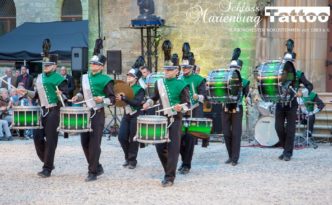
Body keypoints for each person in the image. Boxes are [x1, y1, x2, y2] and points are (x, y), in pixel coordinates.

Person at [17, 54, 68, 177]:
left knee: (51, 141)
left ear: (54, 66)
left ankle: (47, 168)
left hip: (54, 110)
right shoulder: (39, 77)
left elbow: (66, 96)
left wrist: (60, 94)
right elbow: (36, 95)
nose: (45, 66)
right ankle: (47, 160)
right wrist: (26, 92)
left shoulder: (60, 79)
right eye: (44, 64)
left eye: (48, 65)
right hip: (43, 110)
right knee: (37, 137)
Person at [143, 64, 190, 187]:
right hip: (162, 119)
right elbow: (154, 97)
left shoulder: (182, 85)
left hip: (175, 120)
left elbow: (188, 104)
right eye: (165, 69)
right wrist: (148, 102)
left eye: (169, 70)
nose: (167, 72)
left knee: (173, 149)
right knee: (160, 147)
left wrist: (181, 107)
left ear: (176, 71)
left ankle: (169, 177)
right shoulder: (159, 83)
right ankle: (168, 170)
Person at [71, 54, 115, 182]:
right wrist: (77, 97)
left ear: (101, 67)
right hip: (86, 112)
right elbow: (81, 92)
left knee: (95, 144)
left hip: (97, 113)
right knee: (84, 142)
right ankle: (98, 166)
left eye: (95, 64)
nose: (92, 65)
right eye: (91, 63)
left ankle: (93, 172)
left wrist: (102, 99)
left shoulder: (106, 80)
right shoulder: (85, 77)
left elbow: (112, 99)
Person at [276, 41, 313, 161]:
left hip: (292, 104)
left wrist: (302, 93)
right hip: (280, 103)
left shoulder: (298, 74)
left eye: (290, 62)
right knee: (278, 128)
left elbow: (309, 85)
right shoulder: (278, 73)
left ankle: (287, 153)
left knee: (290, 130)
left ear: (293, 62)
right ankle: (286, 148)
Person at [221, 48, 250, 166]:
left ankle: (235, 158)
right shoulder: (224, 80)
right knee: (226, 133)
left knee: (236, 133)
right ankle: (230, 155)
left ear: (240, 69)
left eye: (235, 68)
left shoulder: (245, 82)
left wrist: (248, 98)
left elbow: (247, 95)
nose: (233, 70)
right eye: (231, 68)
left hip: (237, 109)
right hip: (225, 108)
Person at [178, 59, 206, 175]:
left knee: (189, 139)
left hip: (194, 110)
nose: (184, 69)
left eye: (186, 67)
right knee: (179, 139)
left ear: (191, 68)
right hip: (181, 111)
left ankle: (186, 164)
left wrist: (197, 96)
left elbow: (205, 97)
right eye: (183, 67)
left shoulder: (199, 79)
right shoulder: (179, 79)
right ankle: (184, 160)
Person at [117, 68, 145, 169]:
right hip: (126, 114)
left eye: (131, 76)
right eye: (128, 75)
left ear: (136, 78)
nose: (128, 77)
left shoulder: (140, 89)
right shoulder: (124, 88)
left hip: (136, 115)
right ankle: (127, 157)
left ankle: (132, 160)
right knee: (121, 137)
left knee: (133, 138)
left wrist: (124, 98)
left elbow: (137, 103)